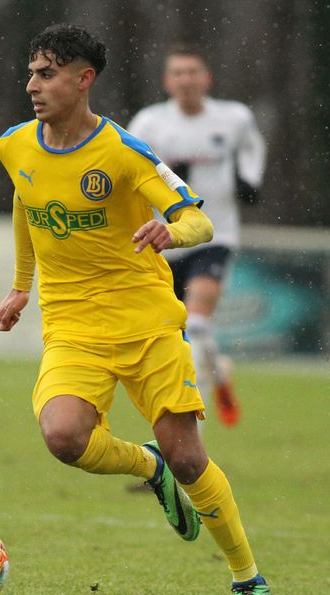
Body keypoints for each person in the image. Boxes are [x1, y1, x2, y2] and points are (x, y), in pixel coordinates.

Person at [0, 24, 270, 595]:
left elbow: (200, 222)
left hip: (146, 325)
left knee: (191, 460)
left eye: (46, 74)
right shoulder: (14, 144)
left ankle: (247, 578)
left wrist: (171, 229)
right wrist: (22, 286)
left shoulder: (124, 152)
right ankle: (148, 466)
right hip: (72, 328)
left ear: (82, 79)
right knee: (63, 437)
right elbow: (25, 203)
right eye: (31, 73)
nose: (32, 86)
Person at [127, 44, 267, 427]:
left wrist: (249, 180)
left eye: (193, 72)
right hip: (164, 240)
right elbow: (127, 167)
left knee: (198, 325)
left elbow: (254, 146)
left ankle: (192, 451)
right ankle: (218, 370)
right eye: (178, 73)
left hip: (214, 236)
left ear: (207, 78)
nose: (186, 80)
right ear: (167, 81)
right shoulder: (149, 124)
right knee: (169, 340)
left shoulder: (234, 118)